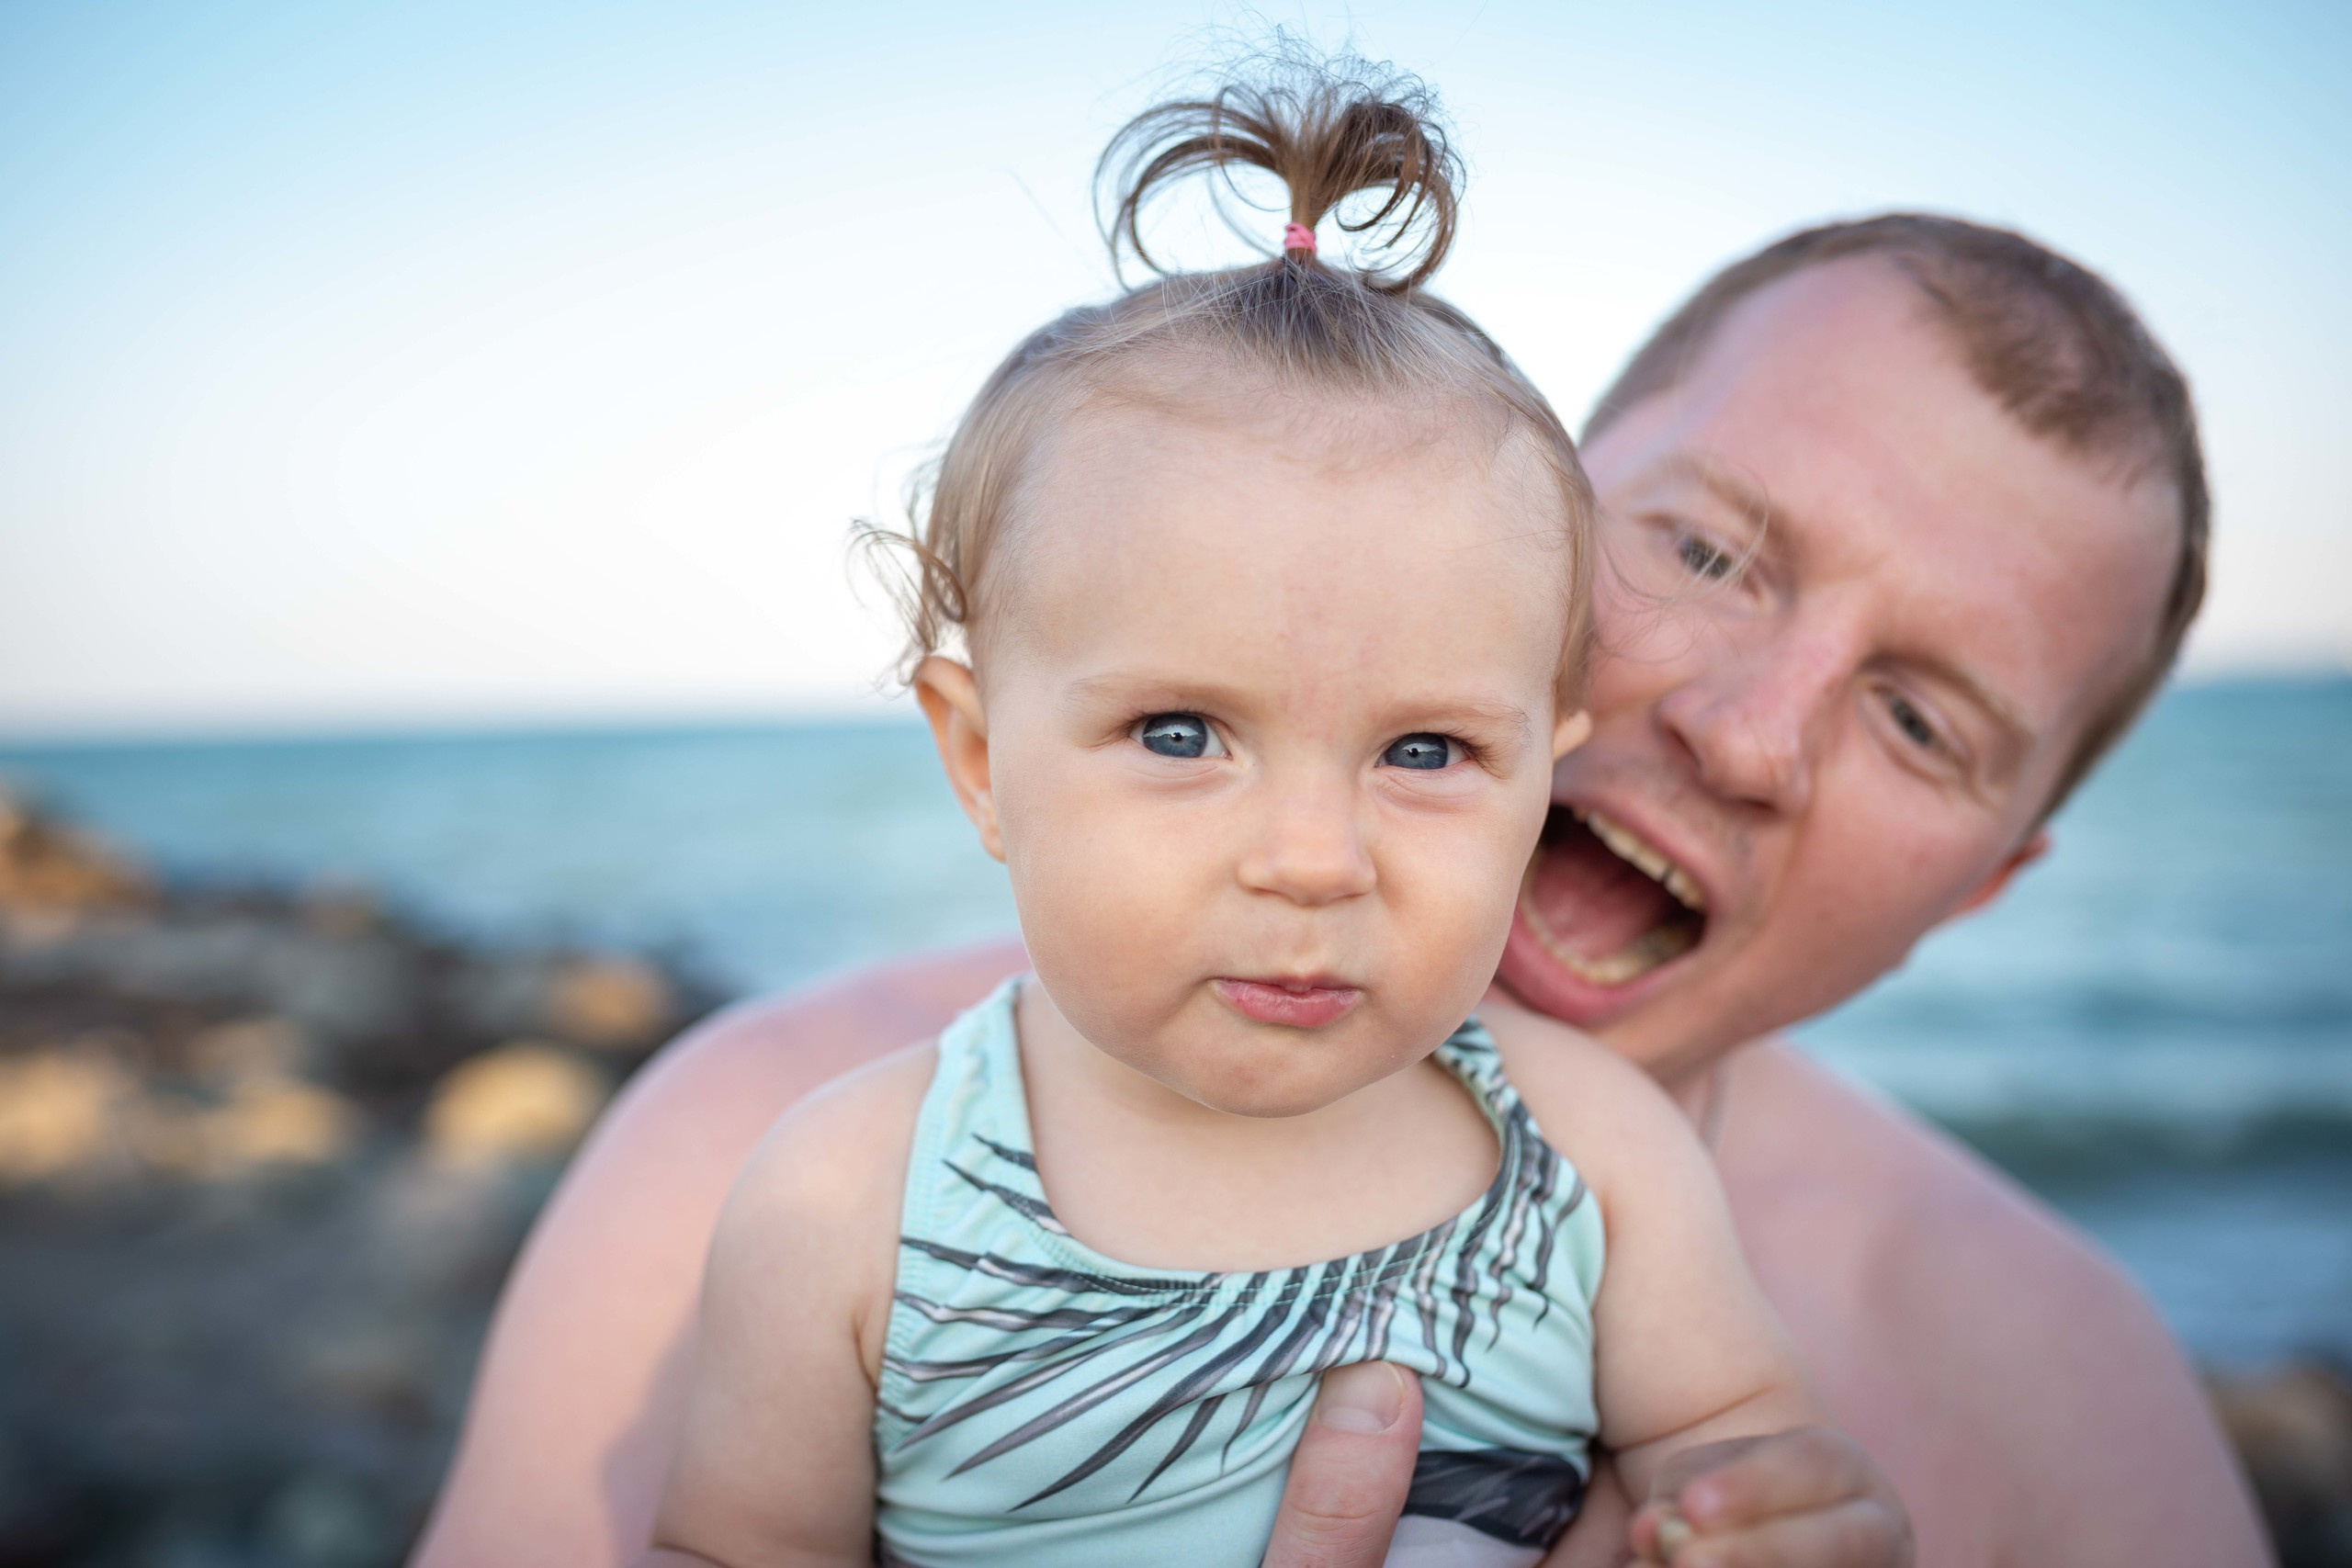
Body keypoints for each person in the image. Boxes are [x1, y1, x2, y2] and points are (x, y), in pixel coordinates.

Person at [412, 121, 2270, 1568]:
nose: (1744, 729)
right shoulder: (775, 1169)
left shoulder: (2071, 1406)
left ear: (1984, 884)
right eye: (1698, 550)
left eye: (1921, 719)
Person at [637, 65, 1832, 1568]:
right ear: (981, 760)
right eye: (1183, 733)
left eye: (1428, 751)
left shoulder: (1597, 1158)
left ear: (1542, 784)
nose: (1315, 860)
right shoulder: (850, 1202)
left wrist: (1783, 1519)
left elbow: (1742, 1462)